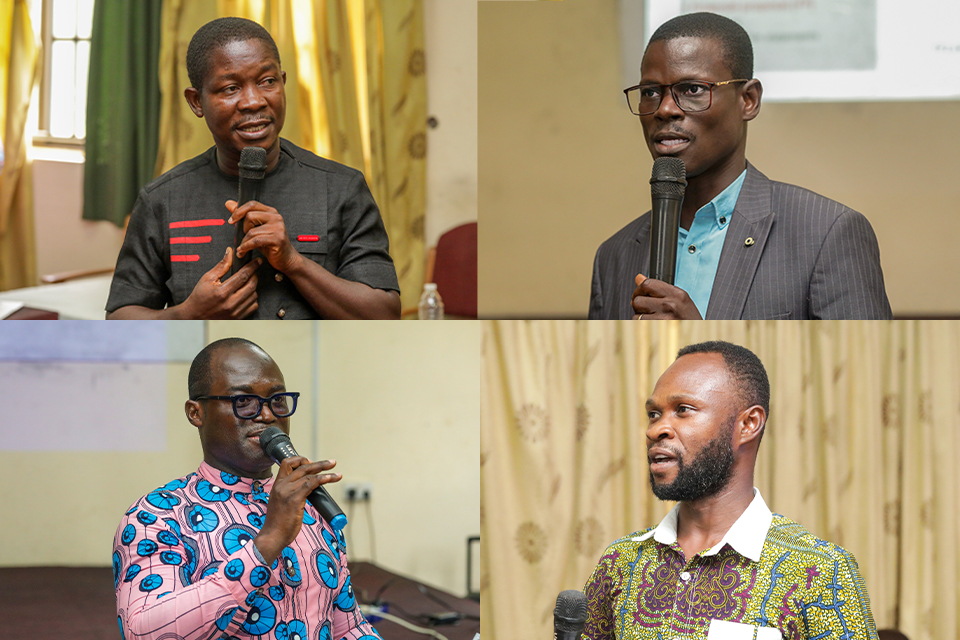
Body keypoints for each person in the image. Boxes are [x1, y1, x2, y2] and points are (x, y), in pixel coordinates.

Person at [588, 13, 892, 320]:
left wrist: (703, 343)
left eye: (692, 89)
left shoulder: (826, 233)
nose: (665, 109)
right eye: (650, 92)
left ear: (748, 100)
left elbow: (865, 368)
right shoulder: (615, 255)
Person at [106, 17, 400, 320]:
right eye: (231, 88)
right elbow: (119, 322)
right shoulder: (162, 200)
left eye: (267, 82)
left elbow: (384, 317)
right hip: (203, 366)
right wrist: (188, 316)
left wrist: (293, 263)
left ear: (283, 84)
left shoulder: (341, 189)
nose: (253, 101)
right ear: (196, 102)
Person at [581, 341, 878, 639]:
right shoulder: (620, 563)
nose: (655, 430)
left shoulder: (820, 571)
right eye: (654, 414)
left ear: (748, 424)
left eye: (682, 410)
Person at [113, 338, 381, 640]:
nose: (267, 415)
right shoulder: (156, 516)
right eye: (244, 401)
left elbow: (348, 627)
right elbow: (143, 632)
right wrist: (267, 542)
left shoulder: (312, 509)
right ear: (195, 413)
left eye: (277, 400)